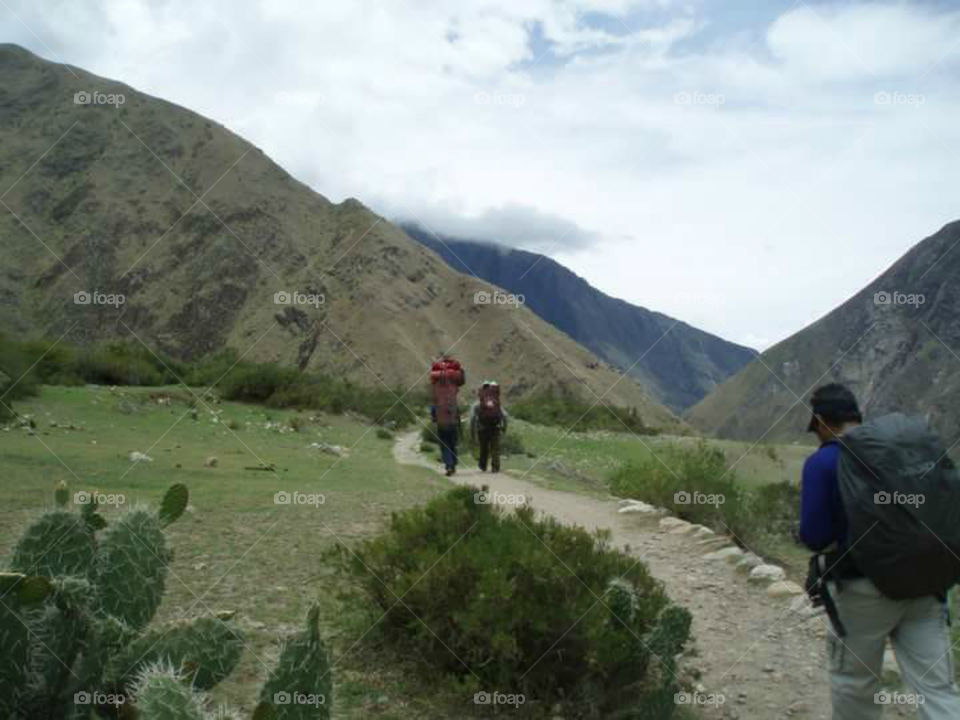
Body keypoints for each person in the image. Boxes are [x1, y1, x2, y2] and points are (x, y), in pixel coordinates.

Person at [800, 383, 960, 719]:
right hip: (928, 583)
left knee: (855, 684)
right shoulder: (900, 451)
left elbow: (815, 536)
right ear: (856, 417)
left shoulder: (823, 461)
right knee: (937, 689)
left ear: (822, 422)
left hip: (862, 590)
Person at [430, 353, 465, 476]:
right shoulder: (454, 382)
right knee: (453, 441)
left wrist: (434, 417)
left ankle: (449, 465)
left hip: (441, 418)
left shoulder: (436, 385)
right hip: (453, 417)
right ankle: (453, 463)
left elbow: (433, 406)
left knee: (444, 443)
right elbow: (462, 380)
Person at [469, 381, 508, 473]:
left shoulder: (477, 404)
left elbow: (472, 418)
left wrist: (472, 433)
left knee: (484, 447)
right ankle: (495, 467)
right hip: (495, 427)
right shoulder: (496, 403)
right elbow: (505, 416)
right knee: (495, 448)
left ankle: (483, 465)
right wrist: (504, 428)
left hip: (482, 428)